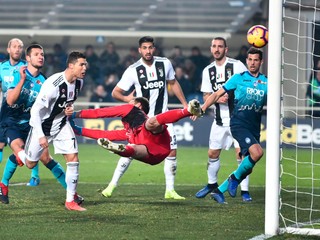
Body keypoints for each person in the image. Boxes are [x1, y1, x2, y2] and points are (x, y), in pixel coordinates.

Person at [104, 36, 189, 200]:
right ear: (139, 50)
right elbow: (115, 92)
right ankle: (111, 186)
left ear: (154, 48)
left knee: (172, 152)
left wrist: (185, 104)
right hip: (141, 120)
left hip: (163, 118)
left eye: (150, 47)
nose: (148, 51)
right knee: (129, 151)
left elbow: (173, 83)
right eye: (144, 48)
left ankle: (170, 190)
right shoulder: (133, 70)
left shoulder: (165, 63)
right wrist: (127, 99)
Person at [14, 51, 87, 211]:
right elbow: (35, 112)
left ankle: (70, 201)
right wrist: (40, 136)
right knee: (30, 164)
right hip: (42, 126)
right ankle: (19, 152)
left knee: (73, 159)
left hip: (61, 125)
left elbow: (66, 102)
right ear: (71, 65)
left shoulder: (79, 83)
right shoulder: (53, 84)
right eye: (81, 64)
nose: (84, 68)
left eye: (85, 64)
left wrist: (69, 109)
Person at [198, 47, 267, 204]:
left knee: (248, 162)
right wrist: (203, 108)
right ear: (246, 61)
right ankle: (235, 181)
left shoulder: (266, 82)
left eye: (256, 60)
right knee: (257, 153)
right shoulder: (238, 78)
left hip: (254, 126)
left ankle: (220, 190)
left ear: (261, 62)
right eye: (249, 59)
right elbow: (216, 94)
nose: (252, 63)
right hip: (238, 124)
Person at [70, 97, 202, 166]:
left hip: (156, 139)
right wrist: (78, 130)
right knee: (133, 148)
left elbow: (101, 112)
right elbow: (105, 135)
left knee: (150, 123)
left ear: (138, 106)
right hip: (154, 154)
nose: (128, 103)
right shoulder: (128, 131)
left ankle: (188, 111)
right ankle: (121, 149)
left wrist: (76, 114)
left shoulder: (132, 110)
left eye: (131, 101)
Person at [0, 38, 40, 187]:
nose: (17, 49)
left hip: (24, 112)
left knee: (29, 145)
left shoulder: (26, 67)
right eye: (14, 47)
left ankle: (34, 176)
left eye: (20, 47)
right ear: (8, 49)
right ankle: (4, 180)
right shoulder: (1, 67)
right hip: (6, 111)